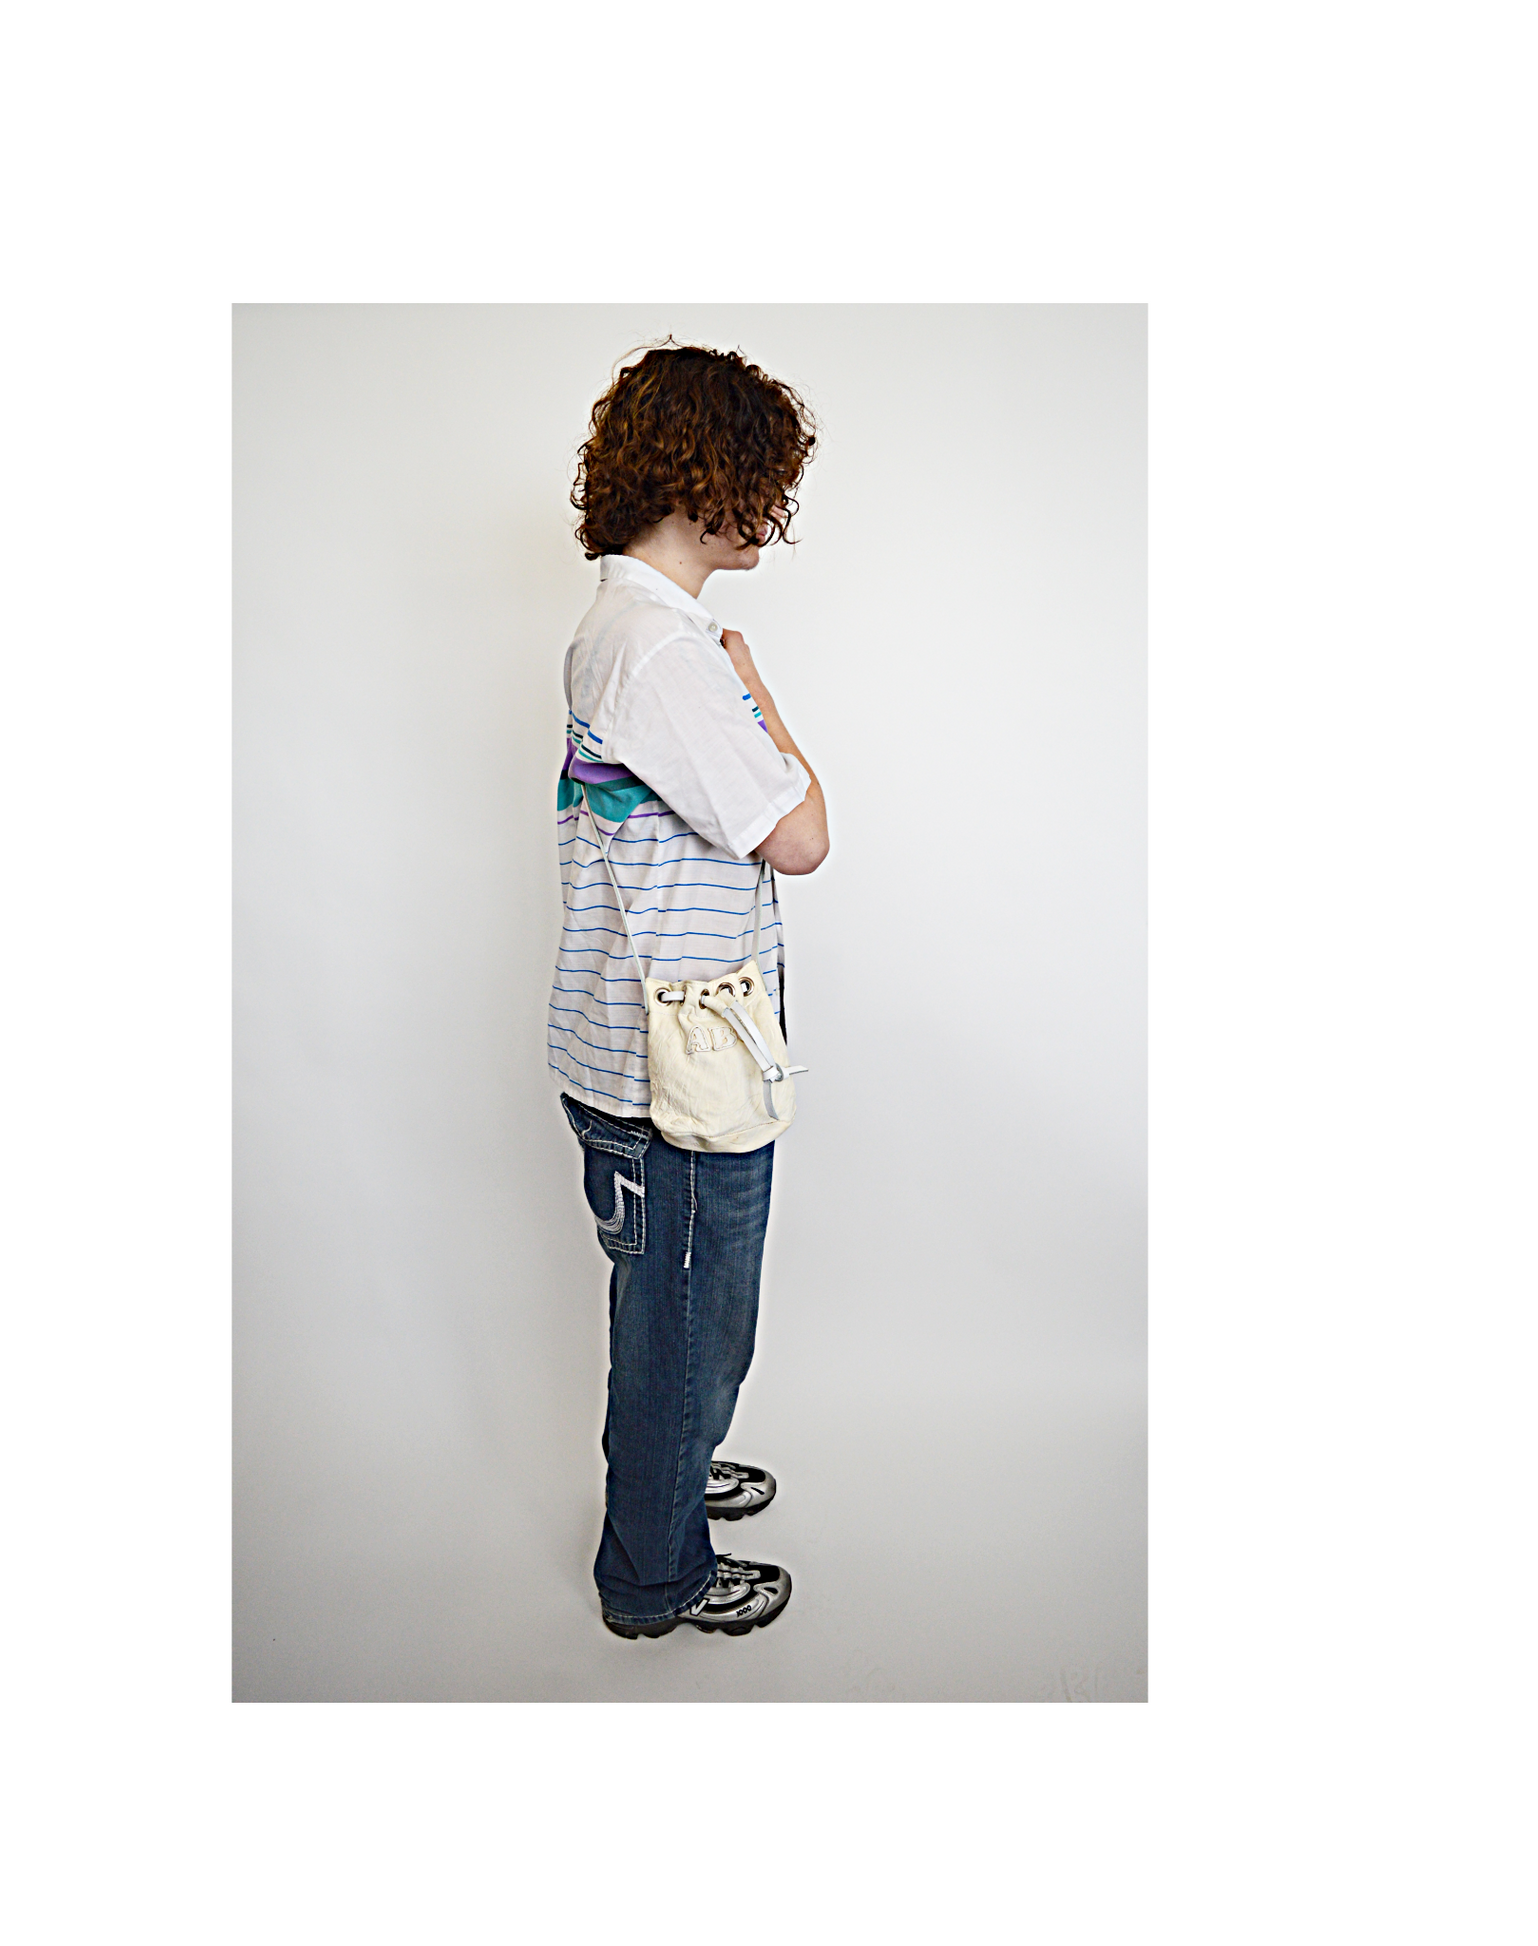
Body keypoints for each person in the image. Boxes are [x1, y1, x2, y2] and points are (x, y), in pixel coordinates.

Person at [549, 342, 829, 1640]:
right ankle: (654, 1571)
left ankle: (668, 1483)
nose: (773, 508)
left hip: (655, 1047)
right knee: (679, 1327)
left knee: (688, 1317)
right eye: (762, 476)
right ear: (704, 474)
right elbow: (799, 834)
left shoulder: (634, 632)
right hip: (669, 1071)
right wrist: (757, 691)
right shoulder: (664, 653)